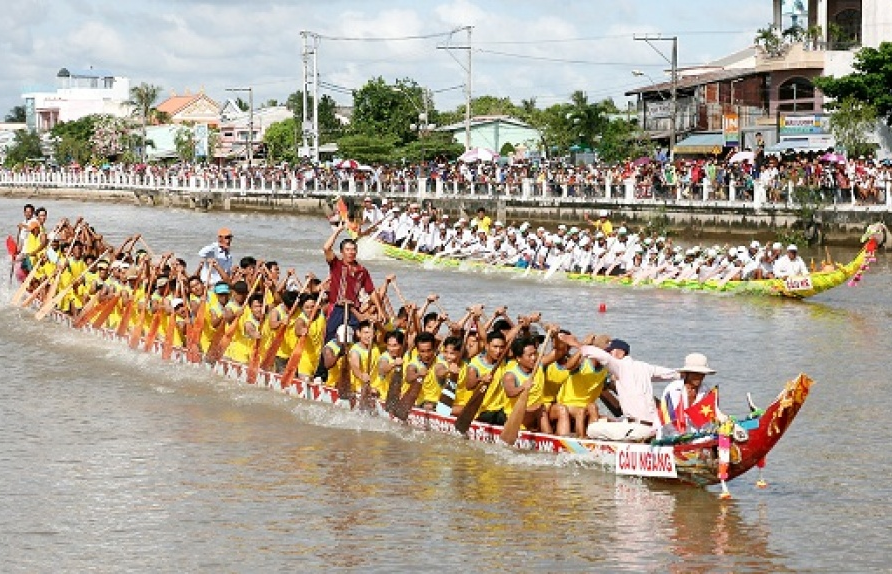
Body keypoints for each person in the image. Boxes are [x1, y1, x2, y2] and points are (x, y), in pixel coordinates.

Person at [559, 335, 677, 440]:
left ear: (620, 352)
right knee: (609, 421)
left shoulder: (619, 365)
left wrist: (576, 344)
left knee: (593, 429)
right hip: (653, 427)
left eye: (610, 351)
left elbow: (599, 355)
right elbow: (672, 373)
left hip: (636, 429)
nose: (609, 354)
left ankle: (591, 446)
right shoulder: (645, 367)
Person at [659, 353, 717, 437]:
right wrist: (679, 438)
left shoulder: (706, 391)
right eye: (696, 373)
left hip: (696, 436)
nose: (699, 377)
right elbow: (667, 418)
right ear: (687, 373)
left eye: (702, 374)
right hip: (670, 437)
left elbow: (706, 420)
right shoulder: (673, 389)